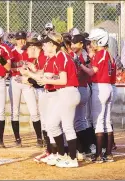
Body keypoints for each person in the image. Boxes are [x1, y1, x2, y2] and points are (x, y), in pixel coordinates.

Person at [36, 32, 80, 168]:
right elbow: (59, 78)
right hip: (64, 93)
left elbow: (64, 80)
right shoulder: (59, 57)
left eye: (46, 43)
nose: (44, 46)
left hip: (68, 92)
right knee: (52, 124)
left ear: (53, 45)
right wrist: (47, 79)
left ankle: (72, 159)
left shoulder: (61, 57)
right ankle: (62, 155)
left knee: (67, 127)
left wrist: (46, 79)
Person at [17, 33, 58, 163]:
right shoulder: (40, 59)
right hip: (46, 92)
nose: (26, 52)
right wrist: (30, 75)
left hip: (50, 92)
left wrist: (28, 78)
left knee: (49, 123)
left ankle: (54, 152)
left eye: (28, 48)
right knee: (47, 122)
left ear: (34, 47)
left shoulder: (42, 58)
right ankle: (50, 151)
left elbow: (42, 80)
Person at [9, 31, 42, 147]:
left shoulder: (29, 50)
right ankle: (17, 138)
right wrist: (18, 69)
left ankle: (39, 138)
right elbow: (8, 68)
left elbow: (35, 66)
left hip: (28, 81)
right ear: (15, 40)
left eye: (23, 39)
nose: (21, 41)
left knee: (34, 110)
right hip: (15, 80)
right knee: (15, 111)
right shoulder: (11, 51)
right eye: (18, 39)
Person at [85, 28, 114, 163]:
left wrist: (81, 66)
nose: (92, 44)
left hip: (100, 87)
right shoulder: (107, 54)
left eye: (94, 41)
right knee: (106, 121)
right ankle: (108, 154)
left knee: (98, 122)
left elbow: (92, 72)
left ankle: (98, 155)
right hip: (107, 87)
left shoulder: (100, 53)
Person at [70, 34, 93, 160]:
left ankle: (84, 149)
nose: (73, 46)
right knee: (79, 120)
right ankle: (85, 148)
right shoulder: (76, 54)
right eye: (72, 43)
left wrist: (80, 65)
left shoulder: (83, 55)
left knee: (79, 121)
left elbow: (89, 71)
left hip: (82, 88)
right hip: (79, 88)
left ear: (81, 44)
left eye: (76, 43)